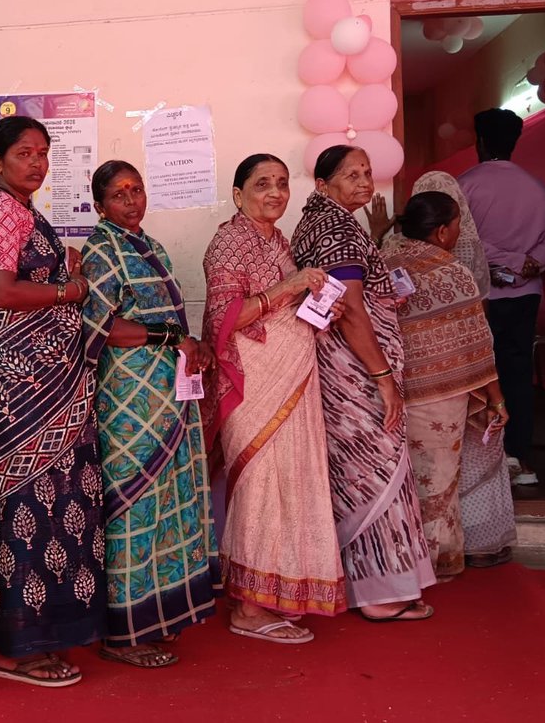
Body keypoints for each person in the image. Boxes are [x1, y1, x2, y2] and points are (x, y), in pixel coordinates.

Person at [0, 116, 105, 687]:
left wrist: (63, 276)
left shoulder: (26, 213)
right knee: (25, 505)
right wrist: (70, 290)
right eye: (24, 153)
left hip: (50, 385)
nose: (36, 163)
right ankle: (15, 649)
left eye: (43, 153)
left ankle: (45, 633)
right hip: (20, 391)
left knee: (60, 502)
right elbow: (1, 291)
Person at [201, 154, 347, 644]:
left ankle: (272, 595)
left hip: (291, 378)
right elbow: (224, 319)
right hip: (256, 383)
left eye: (282, 183)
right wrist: (290, 286)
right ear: (238, 194)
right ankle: (247, 608)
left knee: (289, 484)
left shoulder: (278, 240)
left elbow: (286, 310)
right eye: (262, 184)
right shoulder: (229, 241)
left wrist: (319, 305)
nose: (275, 193)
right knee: (260, 486)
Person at [80, 161, 219, 667]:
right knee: (132, 504)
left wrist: (190, 343)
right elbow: (101, 327)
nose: (131, 201)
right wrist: (171, 338)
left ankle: (158, 615)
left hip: (168, 392)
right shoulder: (101, 249)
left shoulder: (152, 247)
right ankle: (122, 634)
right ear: (100, 205)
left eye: (136, 190)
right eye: (119, 194)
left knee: (170, 501)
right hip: (129, 399)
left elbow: (170, 319)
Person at [292, 145, 436, 621]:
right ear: (322, 184)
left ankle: (367, 583)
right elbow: (351, 310)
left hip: (341, 370)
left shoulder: (321, 222)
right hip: (355, 374)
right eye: (350, 174)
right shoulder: (334, 228)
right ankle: (381, 594)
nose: (363, 182)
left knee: (359, 471)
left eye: (366, 173)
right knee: (377, 471)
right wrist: (383, 379)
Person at [382, 192, 510, 579]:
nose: (458, 233)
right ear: (441, 231)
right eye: (457, 225)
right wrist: (496, 399)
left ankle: (396, 561)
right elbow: (477, 345)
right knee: (437, 477)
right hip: (442, 397)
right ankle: (432, 562)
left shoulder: (384, 260)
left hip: (389, 393)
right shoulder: (454, 274)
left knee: (400, 478)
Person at [458, 108, 545, 485]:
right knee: (517, 375)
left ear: (480, 142)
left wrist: (505, 262)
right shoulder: (539, 188)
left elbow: (460, 241)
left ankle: (479, 461)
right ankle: (520, 457)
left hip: (478, 296)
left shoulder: (464, 185)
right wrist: (524, 262)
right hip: (525, 293)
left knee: (474, 374)